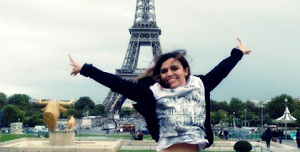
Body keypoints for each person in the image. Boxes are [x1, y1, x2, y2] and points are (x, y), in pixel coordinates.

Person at [69, 38, 251, 152]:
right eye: (164, 71)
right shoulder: (152, 93)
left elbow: (221, 71)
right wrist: (86, 69)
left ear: (185, 70)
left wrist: (237, 53)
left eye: (174, 68)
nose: (169, 73)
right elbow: (118, 84)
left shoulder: (200, 85)